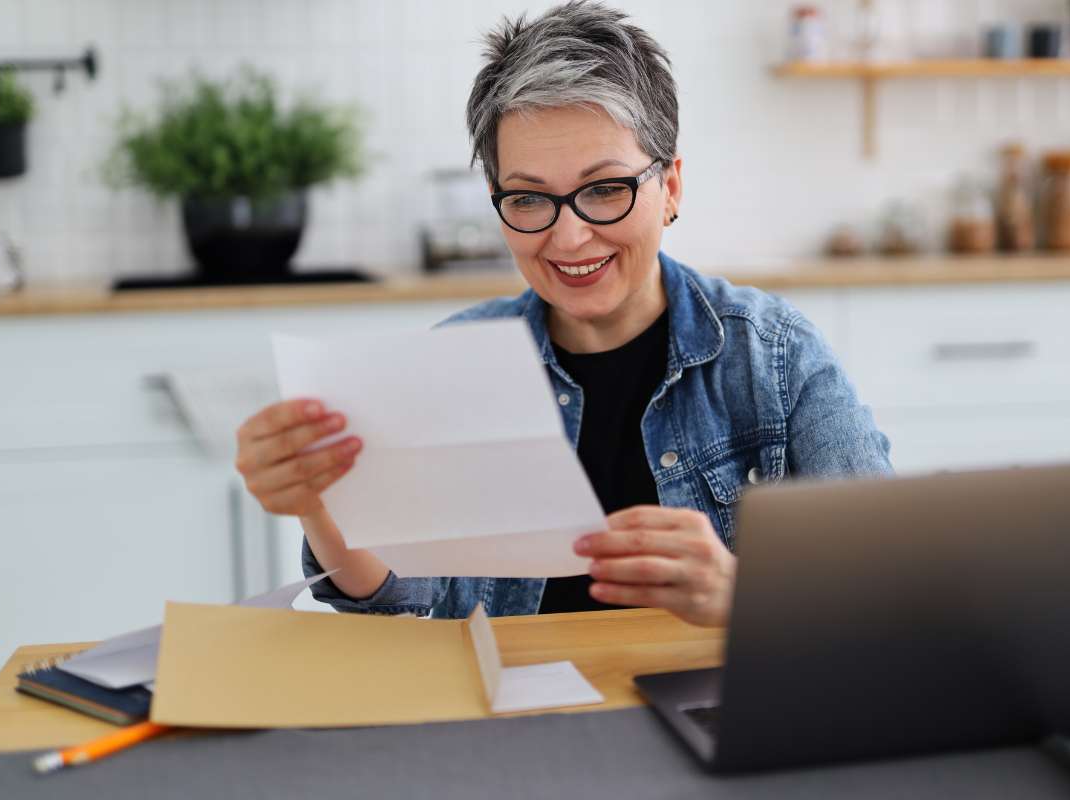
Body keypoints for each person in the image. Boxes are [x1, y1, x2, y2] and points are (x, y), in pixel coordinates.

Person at [234, 1, 891, 628]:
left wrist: (742, 595)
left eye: (605, 189)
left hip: (714, 715)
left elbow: (889, 586)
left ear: (671, 188)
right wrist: (319, 506)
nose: (569, 238)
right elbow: (395, 593)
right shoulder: (457, 363)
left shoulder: (772, 357)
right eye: (527, 199)